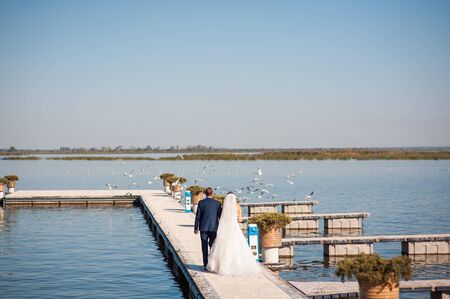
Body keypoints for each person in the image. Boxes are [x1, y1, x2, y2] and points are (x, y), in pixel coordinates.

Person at [206, 193, 260, 276]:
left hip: (226, 229)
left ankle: (220, 266)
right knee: (237, 246)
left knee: (224, 247)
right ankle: (237, 266)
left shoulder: (224, 207)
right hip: (234, 228)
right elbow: (240, 220)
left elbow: (221, 218)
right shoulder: (238, 207)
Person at [194, 187, 222, 269]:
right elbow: (220, 216)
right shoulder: (217, 203)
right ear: (212, 193)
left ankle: (206, 265)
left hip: (203, 228)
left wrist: (196, 227)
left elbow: (198, 216)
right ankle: (212, 264)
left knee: (204, 246)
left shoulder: (201, 203)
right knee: (213, 246)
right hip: (214, 228)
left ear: (205, 194)